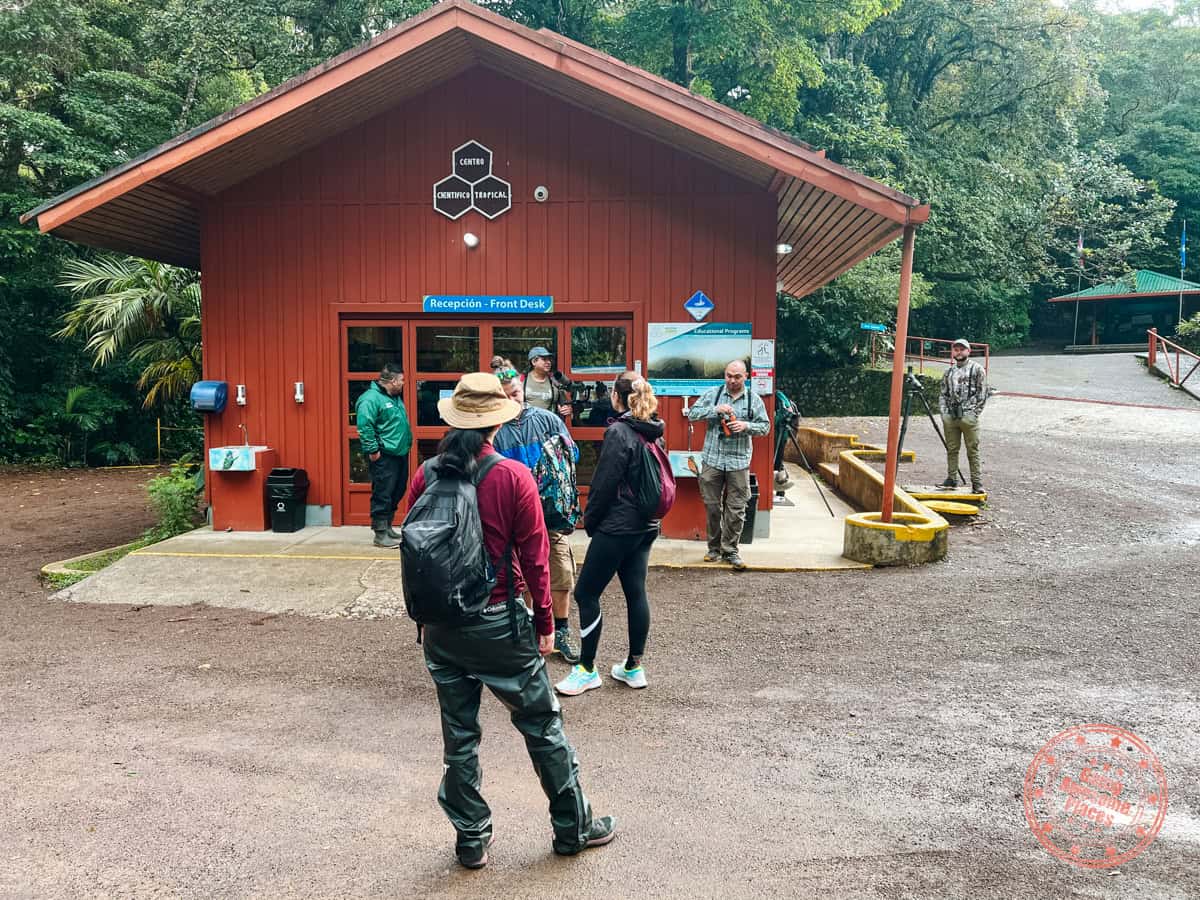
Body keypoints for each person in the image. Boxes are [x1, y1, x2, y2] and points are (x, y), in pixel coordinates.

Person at [408, 372, 615, 868]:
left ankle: (471, 839)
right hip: (499, 621)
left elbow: (416, 545)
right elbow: (536, 557)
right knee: (542, 725)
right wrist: (547, 622)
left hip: (440, 627)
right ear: (497, 424)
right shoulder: (511, 476)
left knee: (459, 736)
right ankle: (573, 827)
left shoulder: (427, 473)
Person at [555, 372, 663, 697]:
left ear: (617, 397)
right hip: (646, 525)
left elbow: (603, 484)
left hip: (617, 527)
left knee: (586, 593)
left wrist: (590, 521)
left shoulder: (618, 431)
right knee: (635, 592)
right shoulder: (655, 429)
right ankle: (633, 667)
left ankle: (587, 669)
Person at [492, 367, 582, 664]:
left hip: (551, 513)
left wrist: (549, 469)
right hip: (515, 516)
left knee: (561, 573)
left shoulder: (547, 419)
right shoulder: (495, 430)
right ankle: (532, 630)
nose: (512, 400)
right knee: (525, 576)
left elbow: (573, 455)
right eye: (505, 397)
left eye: (515, 394)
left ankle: (563, 631)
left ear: (523, 391)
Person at [686, 360, 770, 570]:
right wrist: (715, 410)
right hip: (712, 460)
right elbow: (693, 414)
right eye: (728, 376)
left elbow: (766, 427)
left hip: (739, 462)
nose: (732, 380)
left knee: (736, 509)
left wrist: (746, 425)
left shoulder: (754, 399)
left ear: (746, 377)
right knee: (712, 507)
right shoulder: (713, 394)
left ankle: (730, 551)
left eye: (737, 377)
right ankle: (713, 549)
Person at [354, 362, 412, 547]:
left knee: (397, 490)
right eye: (402, 380)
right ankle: (380, 534)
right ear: (393, 381)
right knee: (383, 492)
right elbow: (364, 426)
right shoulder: (370, 399)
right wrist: (373, 451)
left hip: (400, 454)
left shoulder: (394, 397)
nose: (404, 383)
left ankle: (387, 527)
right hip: (384, 456)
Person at [940, 338, 988, 493]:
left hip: (968, 416)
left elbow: (982, 393)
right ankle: (951, 478)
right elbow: (943, 393)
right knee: (952, 449)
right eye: (956, 349)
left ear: (968, 351)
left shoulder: (977, 369)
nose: (959, 352)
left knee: (972, 449)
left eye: (962, 349)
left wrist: (974, 413)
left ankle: (977, 483)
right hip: (951, 416)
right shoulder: (949, 372)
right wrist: (944, 413)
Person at [524, 346, 573, 418]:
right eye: (544, 359)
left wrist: (568, 409)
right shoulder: (521, 381)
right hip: (526, 427)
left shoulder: (555, 381)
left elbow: (566, 405)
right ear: (534, 362)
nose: (549, 362)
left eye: (549, 359)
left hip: (549, 426)